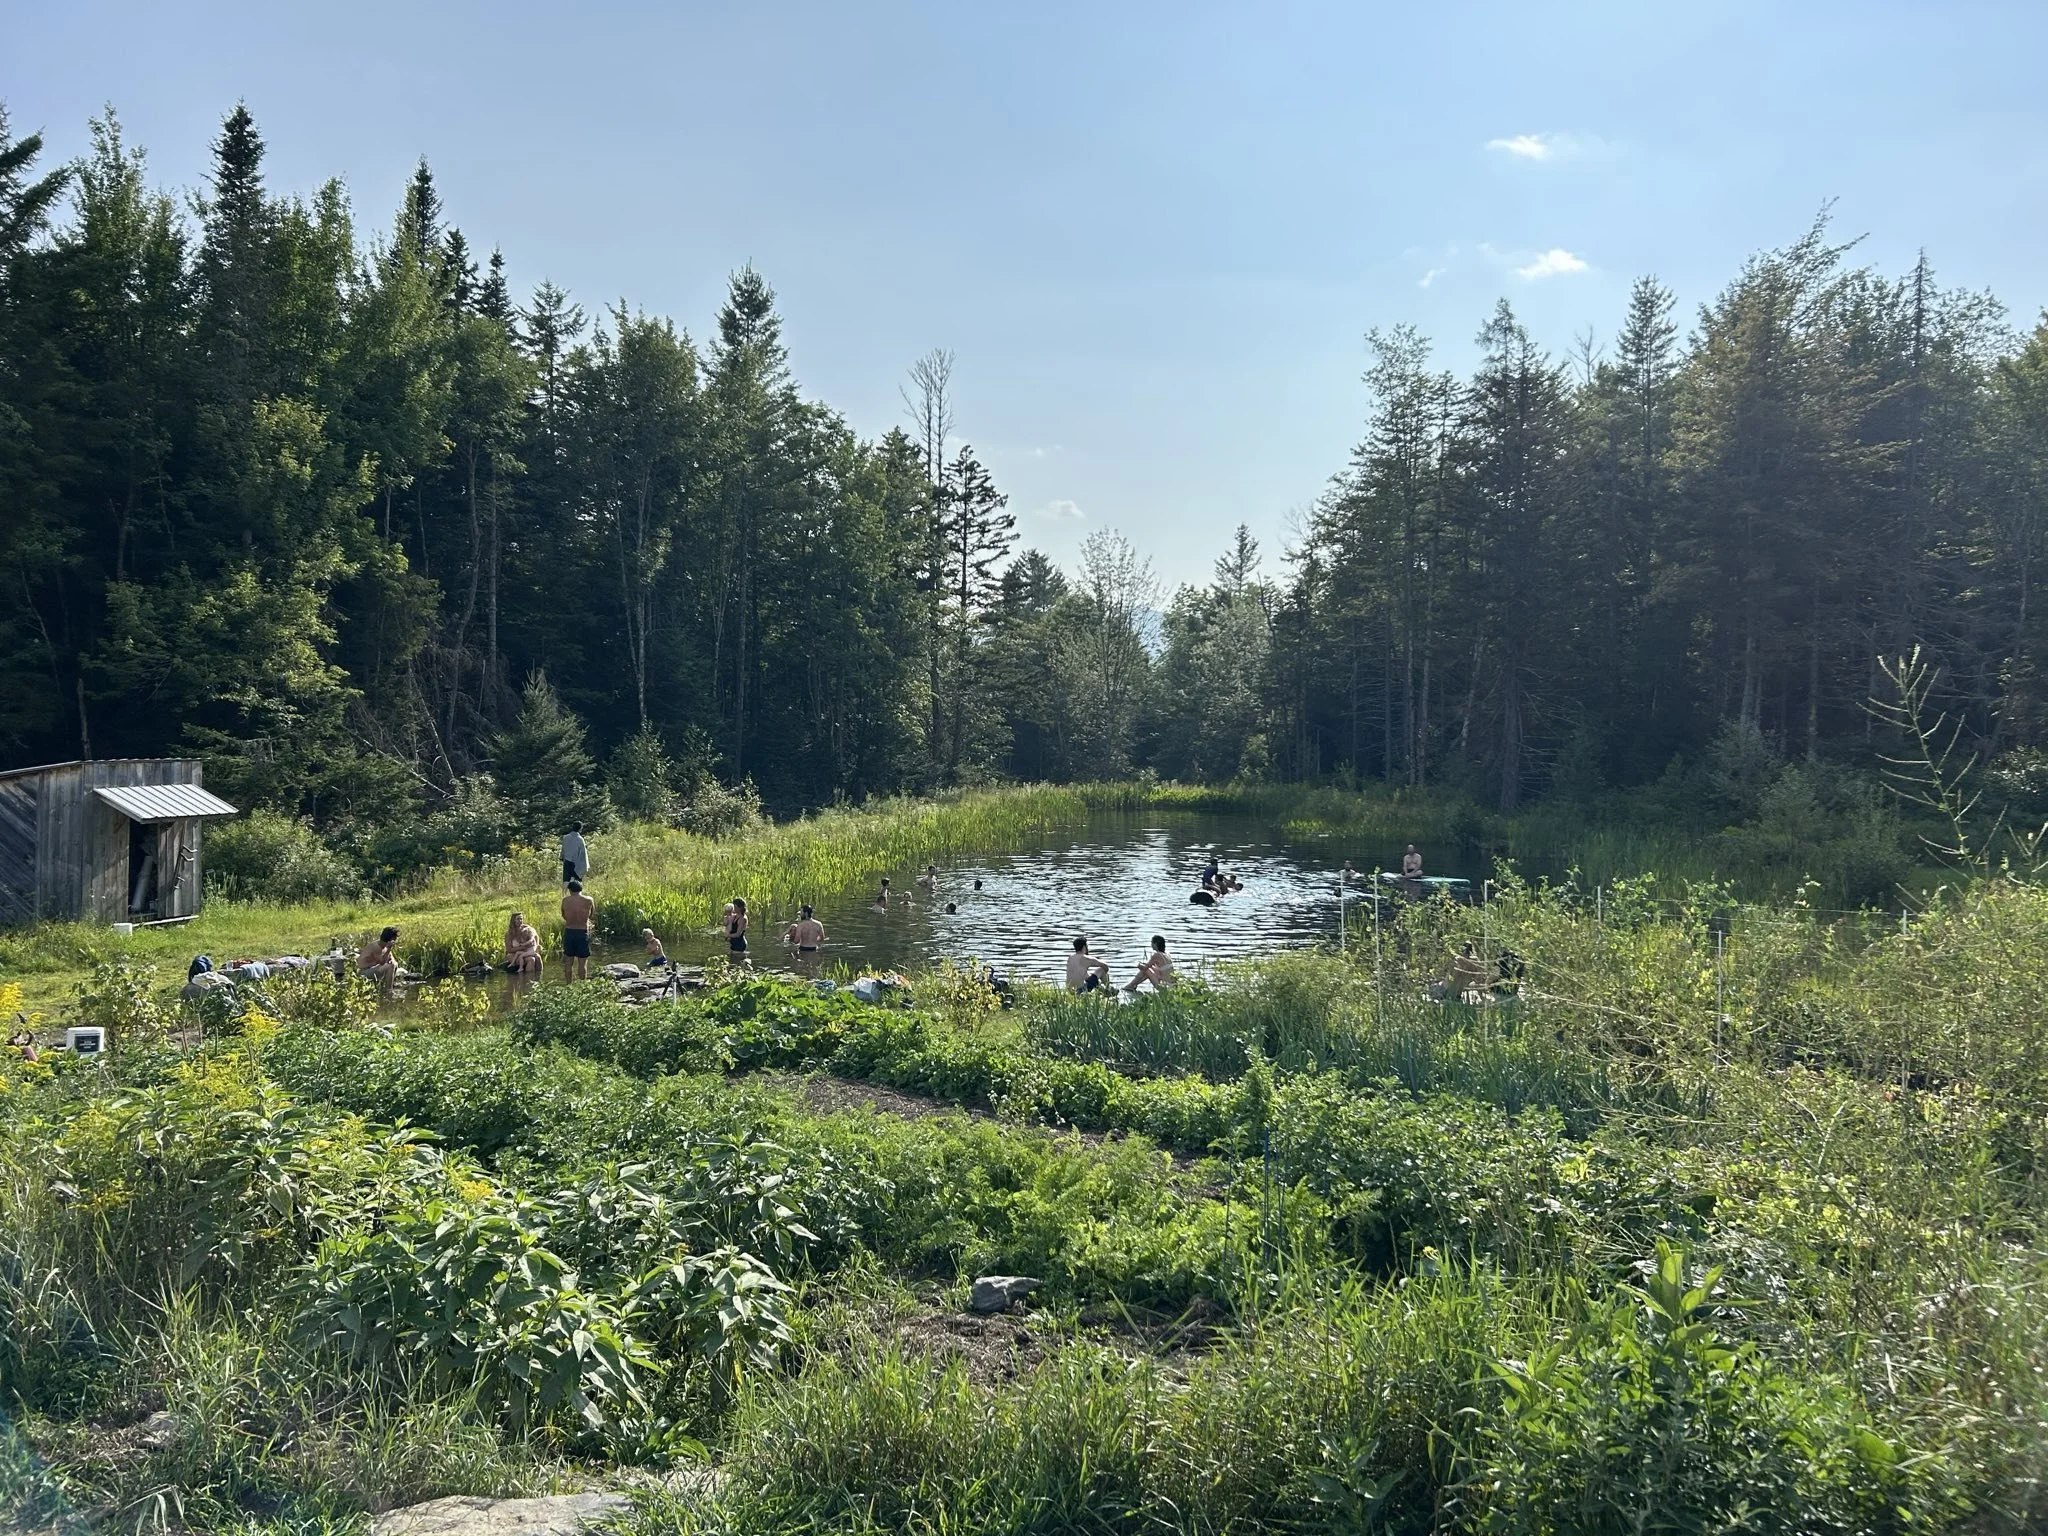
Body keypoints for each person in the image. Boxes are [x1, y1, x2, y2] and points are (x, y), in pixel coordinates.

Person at [560, 882, 594, 981]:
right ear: (580, 889)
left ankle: (568, 986)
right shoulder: (589, 900)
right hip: (582, 931)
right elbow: (591, 915)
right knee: (582, 963)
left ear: (570, 890)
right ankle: (582, 986)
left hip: (569, 931)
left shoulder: (565, 900)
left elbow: (563, 915)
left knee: (568, 962)